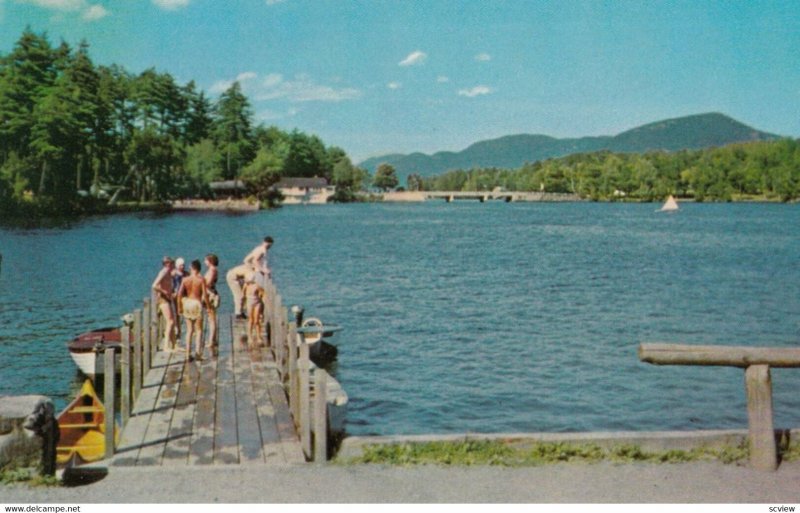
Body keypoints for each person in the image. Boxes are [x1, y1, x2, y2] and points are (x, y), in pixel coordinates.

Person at [176, 259, 208, 361]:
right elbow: (205, 295)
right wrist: (208, 306)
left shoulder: (185, 280)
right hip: (196, 303)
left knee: (189, 330)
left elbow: (179, 294)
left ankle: (187, 353)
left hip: (187, 303)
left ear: (192, 268)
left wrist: (179, 307)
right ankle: (198, 353)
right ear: (198, 269)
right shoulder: (201, 279)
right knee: (198, 330)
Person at [151, 256, 177, 351]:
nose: (173, 265)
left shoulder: (169, 272)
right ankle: (166, 346)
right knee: (170, 321)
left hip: (168, 298)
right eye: (171, 263)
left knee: (172, 321)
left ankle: (174, 345)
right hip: (163, 299)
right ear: (167, 264)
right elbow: (154, 285)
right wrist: (164, 291)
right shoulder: (164, 272)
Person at [243, 272, 265, 346]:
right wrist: (243, 304)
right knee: (251, 320)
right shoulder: (246, 286)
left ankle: (259, 337)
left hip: (257, 303)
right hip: (249, 302)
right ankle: (250, 336)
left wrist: (260, 297)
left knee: (256, 320)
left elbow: (262, 293)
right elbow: (243, 295)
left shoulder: (256, 286)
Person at [204, 253, 220, 355]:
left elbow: (208, 283)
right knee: (210, 318)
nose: (204, 262)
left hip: (210, 294)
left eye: (205, 260)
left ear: (210, 261)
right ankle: (212, 340)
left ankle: (211, 341)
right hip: (210, 293)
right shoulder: (212, 270)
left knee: (211, 318)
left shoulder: (212, 270)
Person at [172, 258, 188, 338]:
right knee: (177, 312)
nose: (182, 267)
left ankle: (189, 328)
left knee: (186, 312)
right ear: (177, 266)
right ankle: (178, 329)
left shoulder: (186, 274)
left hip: (184, 295)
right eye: (181, 265)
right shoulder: (174, 274)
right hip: (176, 294)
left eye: (183, 265)